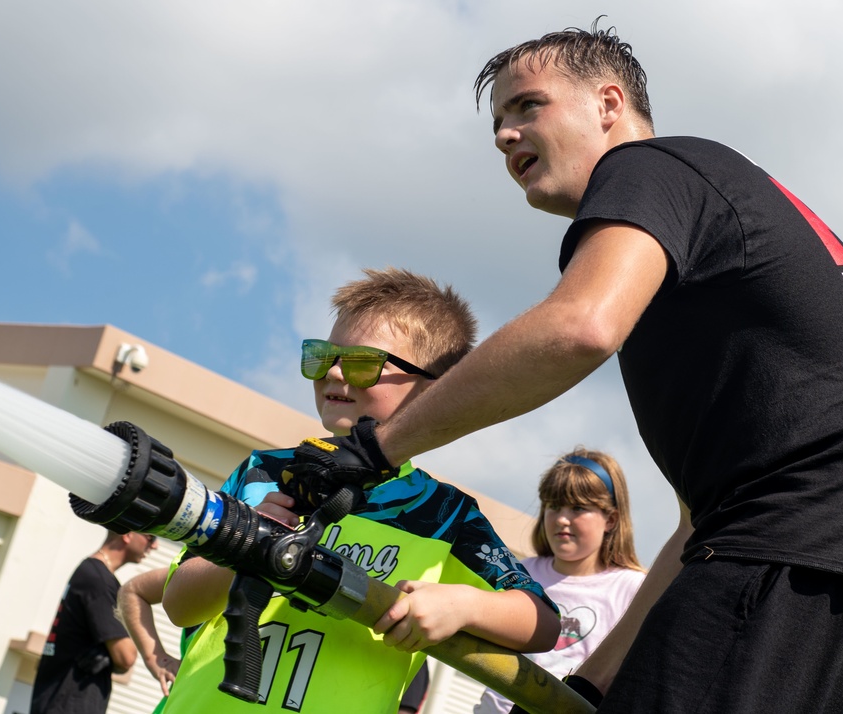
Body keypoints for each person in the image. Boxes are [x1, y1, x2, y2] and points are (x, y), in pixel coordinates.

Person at [290, 20, 843, 714]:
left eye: (528, 106)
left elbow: (578, 327)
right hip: (840, 560)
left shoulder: (647, 169)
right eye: (498, 124)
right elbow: (697, 525)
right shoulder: (694, 240)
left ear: (609, 105)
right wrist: (595, 682)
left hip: (799, 543)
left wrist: (376, 449)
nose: (506, 135)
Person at [160, 267, 560, 713]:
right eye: (322, 355)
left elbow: (542, 623)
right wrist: (250, 542)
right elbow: (179, 604)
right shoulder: (263, 472)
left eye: (363, 362)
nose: (333, 373)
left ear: (440, 390)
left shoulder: (443, 513)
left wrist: (464, 606)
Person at [475, 448, 645, 714]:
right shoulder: (518, 572)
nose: (562, 519)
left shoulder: (633, 590)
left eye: (578, 507)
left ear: (610, 519)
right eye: (553, 506)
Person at [30, 530, 157, 714]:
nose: (155, 545)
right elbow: (126, 657)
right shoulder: (99, 581)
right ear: (127, 534)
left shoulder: (89, 571)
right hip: (70, 703)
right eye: (150, 537)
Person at [116, 566, 186, 714]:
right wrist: (155, 657)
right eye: (150, 540)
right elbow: (132, 591)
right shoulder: (225, 564)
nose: (154, 546)